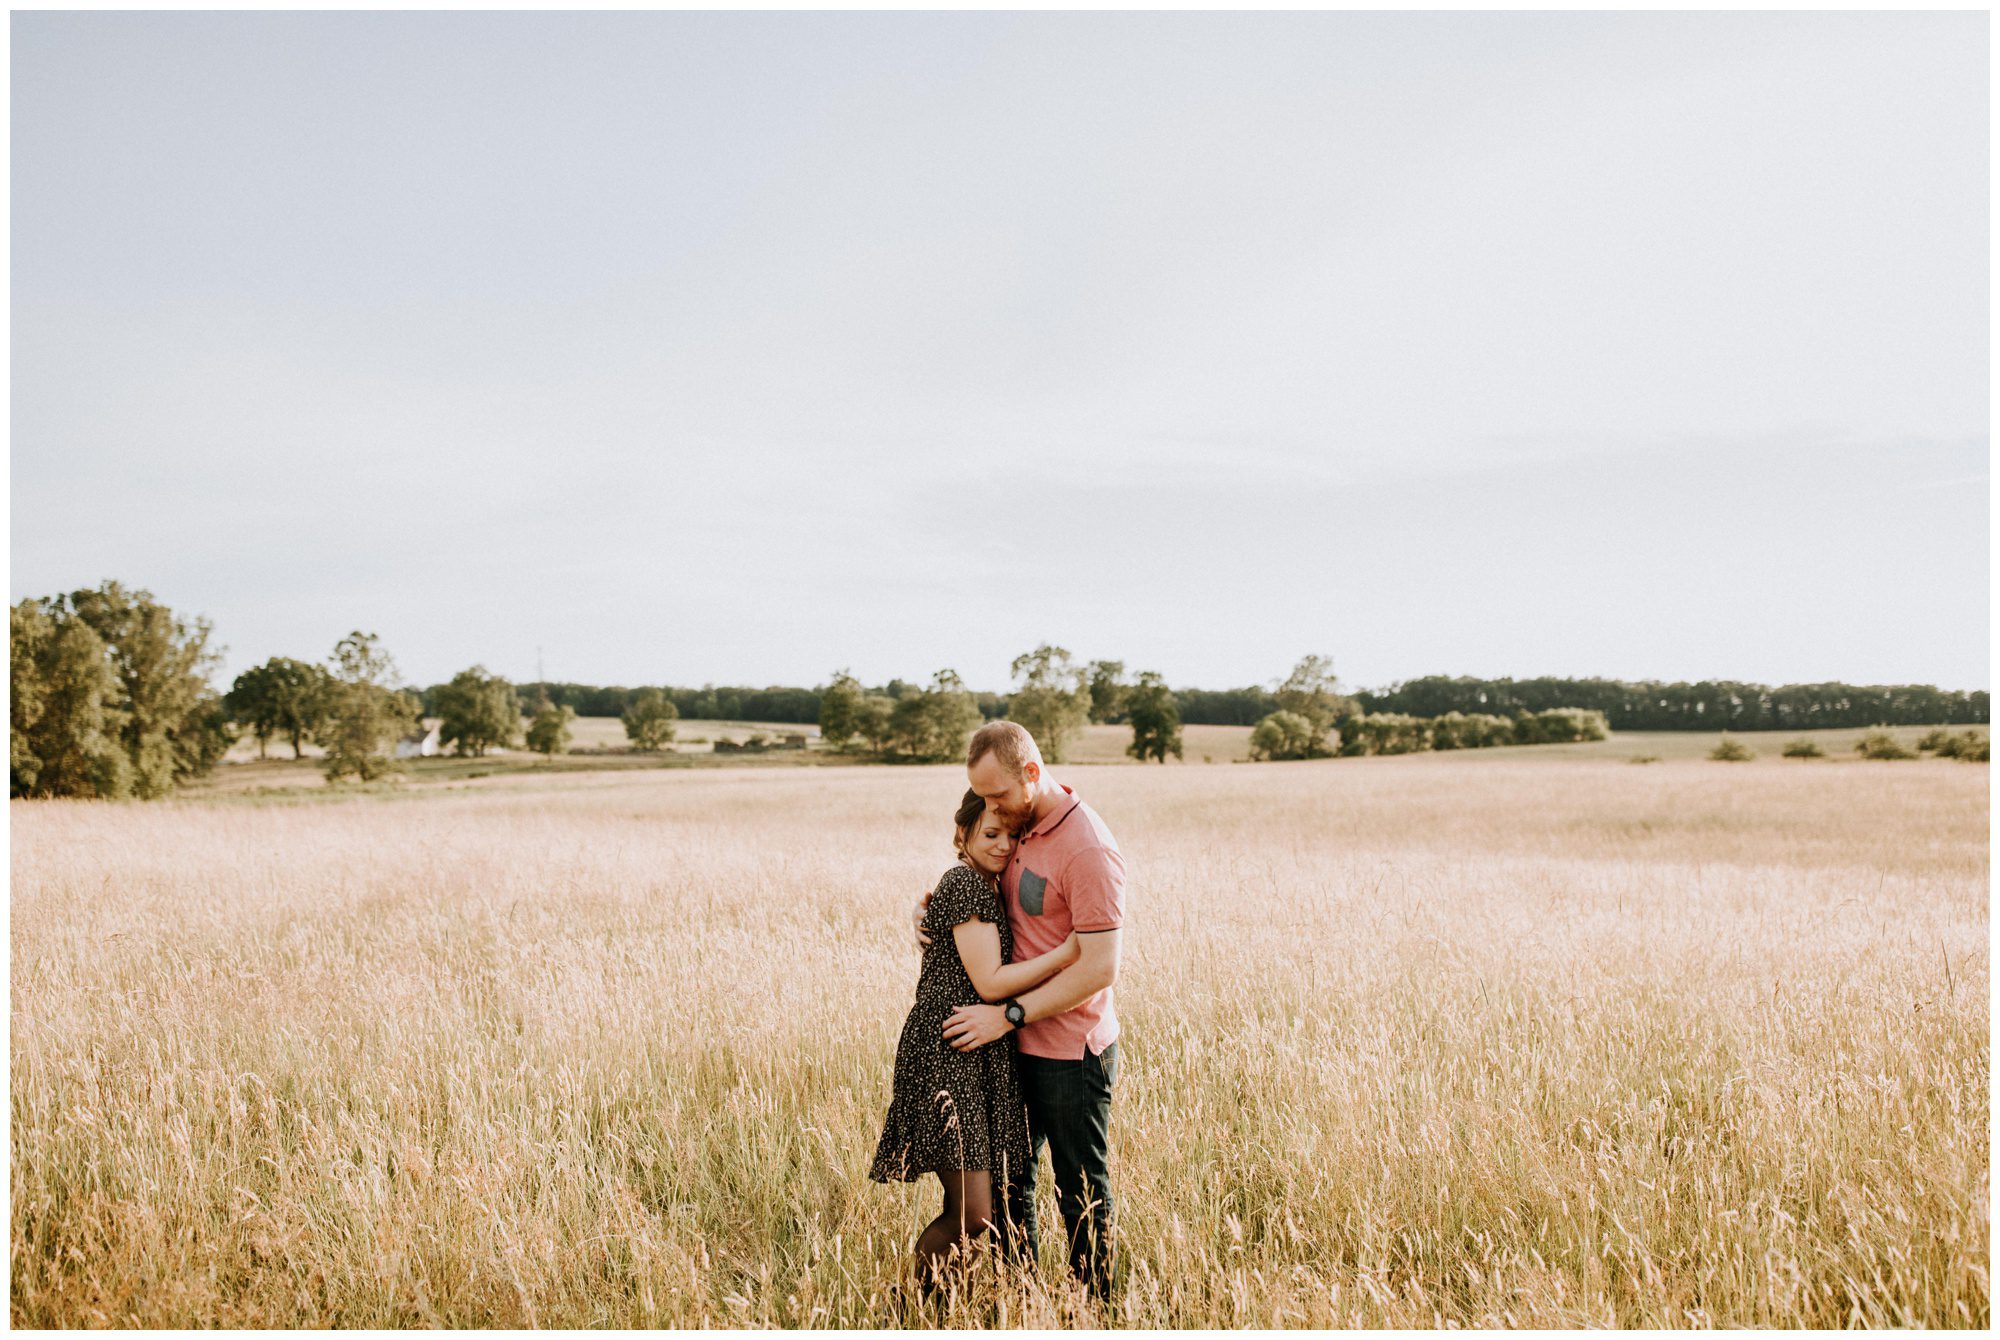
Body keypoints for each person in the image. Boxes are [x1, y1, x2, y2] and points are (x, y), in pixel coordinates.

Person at [918, 720, 1126, 1299]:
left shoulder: (1087, 848)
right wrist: (932, 911)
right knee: (1012, 1189)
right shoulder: (1018, 827)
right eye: (981, 797)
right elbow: (984, 895)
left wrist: (1007, 1016)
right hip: (1009, 1051)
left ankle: (1095, 1310)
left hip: (1067, 1052)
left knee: (1080, 1190)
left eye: (998, 795)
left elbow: (1098, 967)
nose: (991, 809)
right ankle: (1024, 1301)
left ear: (1032, 773)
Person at [869, 788, 1082, 1293]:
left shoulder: (985, 886)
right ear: (961, 834)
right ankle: (905, 1311)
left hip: (978, 1051)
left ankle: (946, 1310)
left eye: (1013, 834)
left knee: (973, 1209)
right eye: (990, 833)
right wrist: (1066, 953)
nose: (1004, 845)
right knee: (973, 1212)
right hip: (950, 1049)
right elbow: (988, 983)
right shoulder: (966, 883)